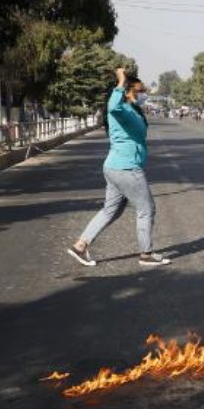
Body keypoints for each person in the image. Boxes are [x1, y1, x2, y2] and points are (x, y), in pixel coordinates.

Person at [68, 67, 169, 267]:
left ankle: (80, 245)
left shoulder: (131, 110)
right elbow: (113, 106)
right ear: (129, 91)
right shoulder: (121, 108)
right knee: (146, 209)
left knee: (111, 211)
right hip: (127, 169)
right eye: (141, 91)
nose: (144, 94)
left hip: (115, 167)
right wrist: (121, 81)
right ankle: (146, 254)